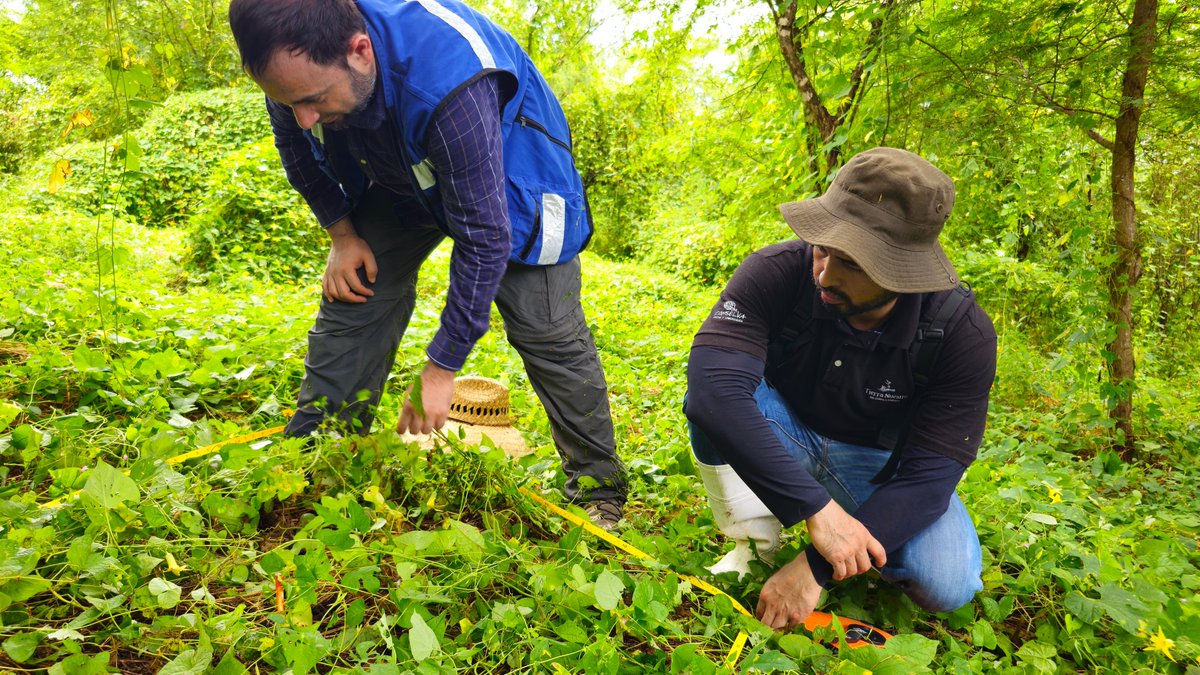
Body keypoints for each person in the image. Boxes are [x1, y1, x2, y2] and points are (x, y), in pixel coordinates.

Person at [227, 0, 626, 529]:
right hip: (399, 169)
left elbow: (484, 237)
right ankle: (314, 460)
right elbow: (295, 149)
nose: (303, 116)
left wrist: (441, 368)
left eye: (313, 101)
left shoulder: (450, 78)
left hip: (510, 172)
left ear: (360, 51)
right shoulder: (296, 69)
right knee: (355, 292)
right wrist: (343, 237)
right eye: (287, 101)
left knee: (547, 328)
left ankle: (598, 488)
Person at [684, 147, 997, 630]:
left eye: (852, 263)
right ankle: (753, 542)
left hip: (876, 465)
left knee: (947, 581)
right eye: (823, 247)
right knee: (716, 406)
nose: (825, 274)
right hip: (779, 425)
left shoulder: (959, 333)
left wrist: (814, 566)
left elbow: (928, 480)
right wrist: (815, 511)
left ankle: (846, 535)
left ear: (904, 274)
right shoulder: (776, 271)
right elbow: (713, 390)